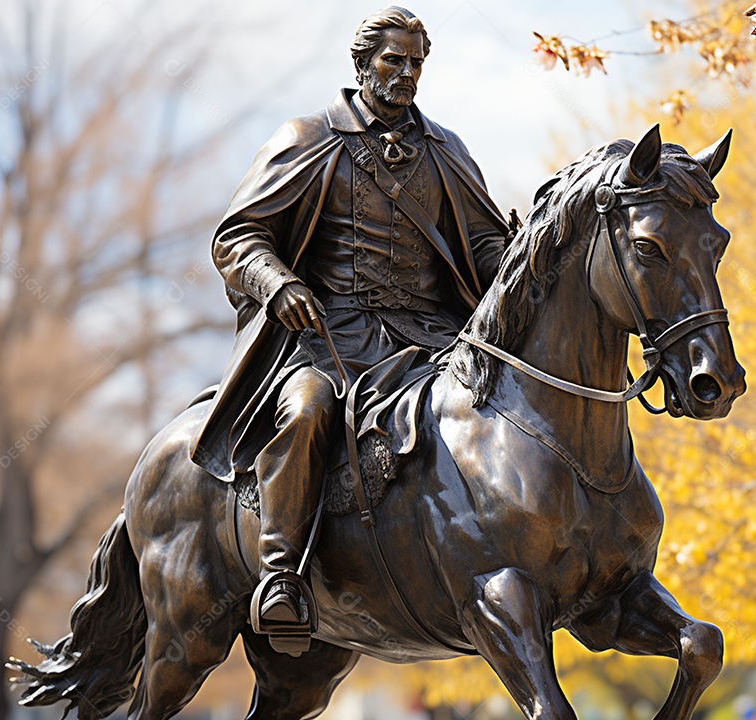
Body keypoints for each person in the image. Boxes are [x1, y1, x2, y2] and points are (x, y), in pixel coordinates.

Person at [190, 6, 510, 652]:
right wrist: (277, 283)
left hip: (430, 340)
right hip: (328, 336)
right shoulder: (310, 138)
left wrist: (524, 267)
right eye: (395, 60)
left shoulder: (446, 150)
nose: (407, 73)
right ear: (362, 64)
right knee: (308, 408)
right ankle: (282, 577)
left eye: (417, 62)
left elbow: (483, 245)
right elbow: (238, 236)